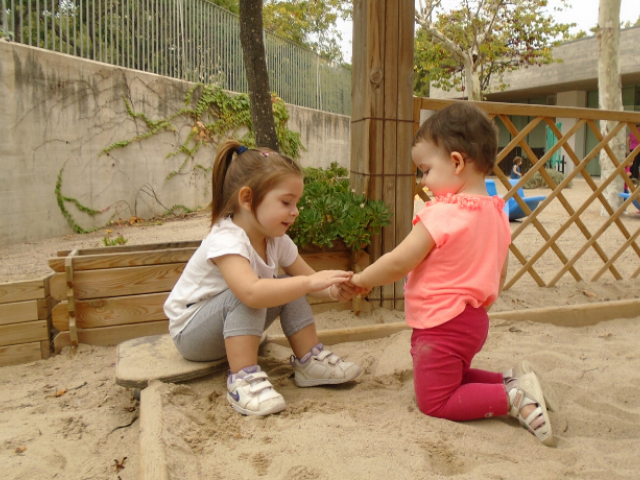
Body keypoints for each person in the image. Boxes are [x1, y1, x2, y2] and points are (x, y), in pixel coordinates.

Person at [350, 103, 556, 446]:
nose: (424, 181)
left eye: (426, 170)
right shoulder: (497, 211)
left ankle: (514, 399)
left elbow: (401, 260)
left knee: (436, 400)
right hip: (473, 319)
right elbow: (499, 267)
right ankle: (510, 380)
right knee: (453, 375)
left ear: (457, 162)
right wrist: (483, 304)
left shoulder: (443, 214)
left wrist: (363, 279)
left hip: (441, 322)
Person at [164, 141, 362, 416]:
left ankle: (309, 360)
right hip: (193, 334)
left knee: (284, 285)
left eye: (296, 203)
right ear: (247, 199)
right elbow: (251, 293)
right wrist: (306, 284)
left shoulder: (276, 240)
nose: (295, 211)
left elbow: (308, 279)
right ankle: (243, 379)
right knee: (250, 292)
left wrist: (332, 291)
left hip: (231, 329)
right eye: (286, 202)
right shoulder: (227, 239)